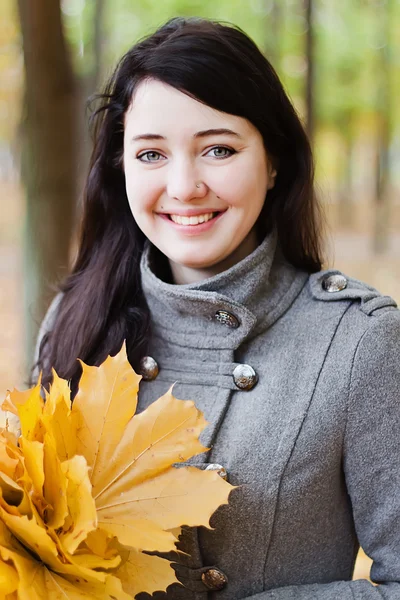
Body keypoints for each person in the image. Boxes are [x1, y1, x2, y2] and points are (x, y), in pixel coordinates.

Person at [31, 16, 400, 600]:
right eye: (151, 154)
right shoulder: (74, 319)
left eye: (218, 149)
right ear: (120, 166)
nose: (184, 186)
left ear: (274, 161)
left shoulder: (359, 342)